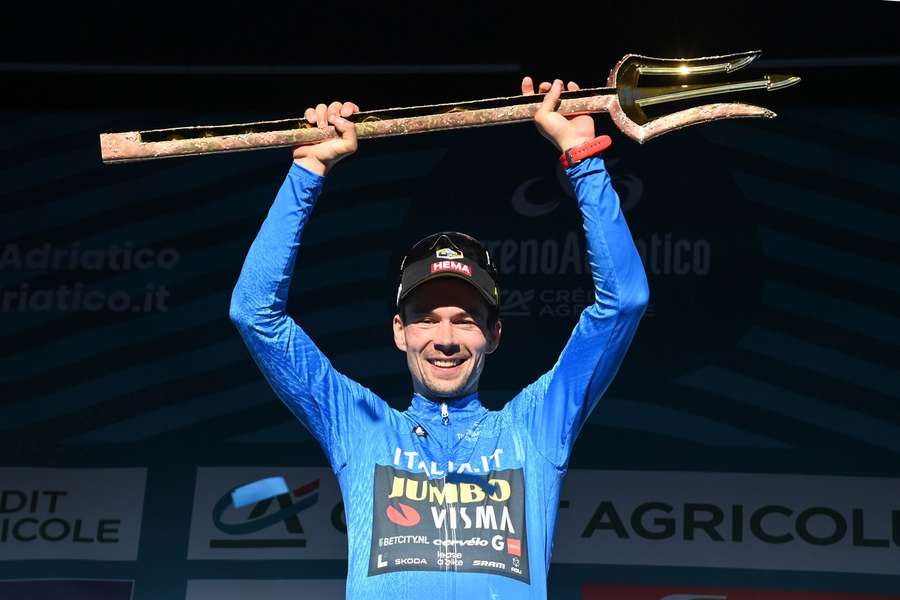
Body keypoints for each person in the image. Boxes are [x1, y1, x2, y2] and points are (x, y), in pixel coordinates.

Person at [229, 77, 649, 600]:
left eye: (466, 319)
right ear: (400, 332)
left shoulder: (535, 429)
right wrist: (308, 170)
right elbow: (255, 315)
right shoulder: (361, 427)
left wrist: (581, 158)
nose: (445, 338)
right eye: (426, 318)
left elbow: (623, 304)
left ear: (494, 334)